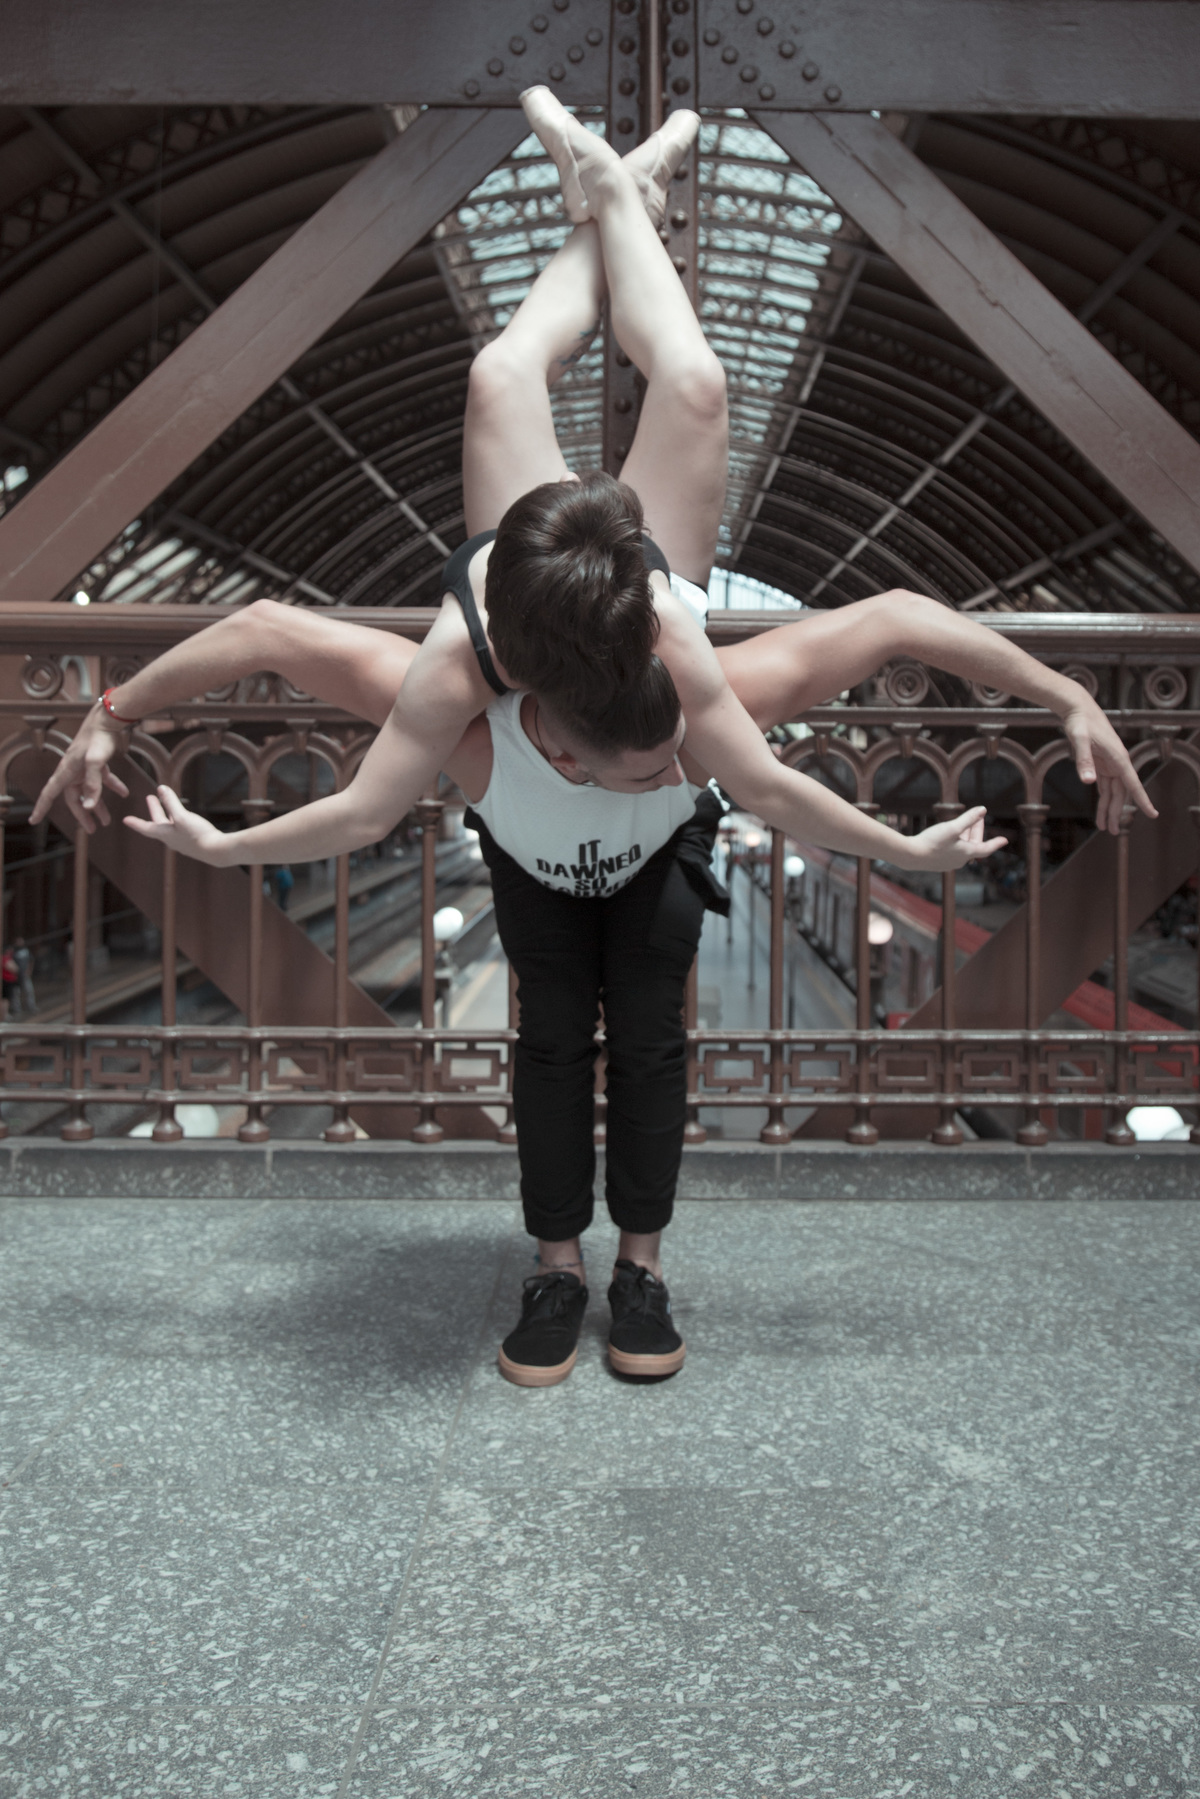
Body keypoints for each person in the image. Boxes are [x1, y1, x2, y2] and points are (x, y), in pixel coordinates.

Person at [33, 94, 1154, 1386]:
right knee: (553, 1043)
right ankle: (558, 1267)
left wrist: (1038, 725)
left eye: (673, 761)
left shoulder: (687, 681)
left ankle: (644, 1266)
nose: (670, 773)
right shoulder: (458, 682)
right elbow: (285, 668)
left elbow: (809, 748)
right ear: (546, 735)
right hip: (537, 775)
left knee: (684, 383)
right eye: (645, 770)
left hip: (606, 602)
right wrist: (138, 752)